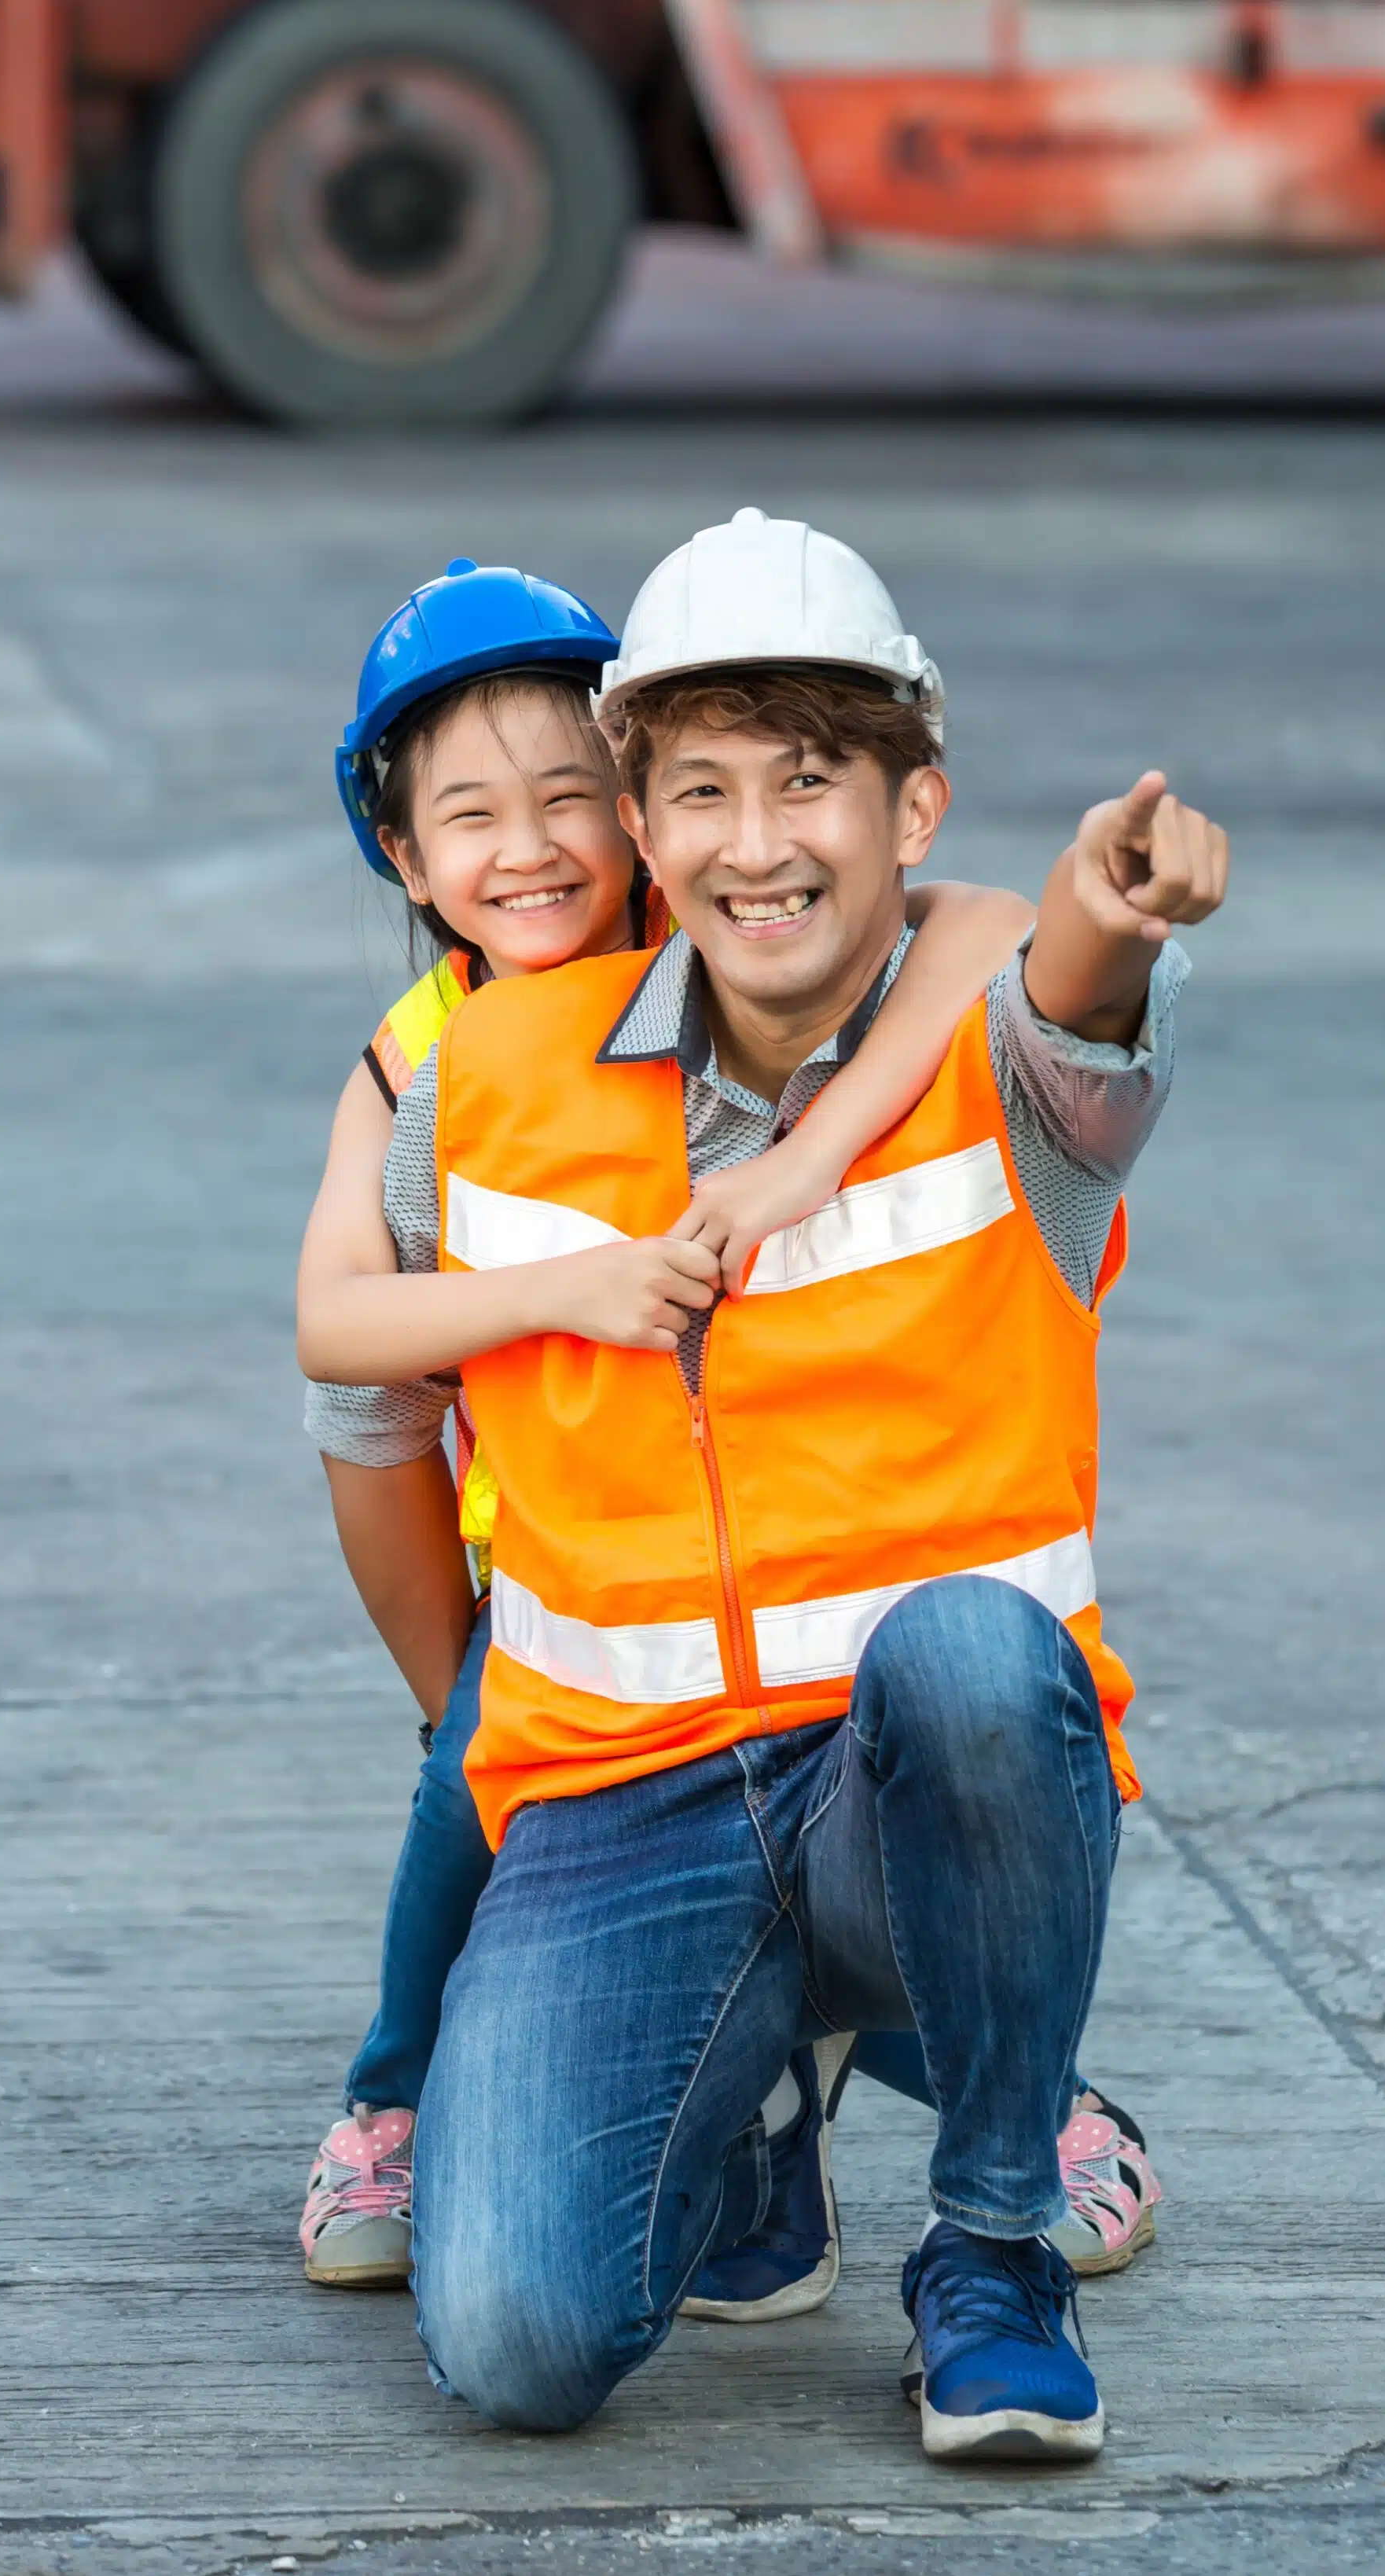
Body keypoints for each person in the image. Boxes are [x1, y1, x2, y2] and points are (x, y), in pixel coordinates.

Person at [377, 510, 1229, 2459]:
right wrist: (466, 1730)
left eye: (808, 782)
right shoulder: (489, 1077)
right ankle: (752, 2096)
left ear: (910, 806)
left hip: (907, 1777)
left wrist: (1124, 896)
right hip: (617, 1813)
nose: (754, 842)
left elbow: (1076, 970)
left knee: (972, 1659)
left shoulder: (1011, 1061)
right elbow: (371, 1417)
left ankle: (992, 2245)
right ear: (644, 831)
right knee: (513, 2344)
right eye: (700, 792)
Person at [290, 553, 1084, 2295]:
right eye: (470, 818)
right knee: (470, 1788)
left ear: (636, 818)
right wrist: (461, 1689)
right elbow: (341, 1347)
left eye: (571, 798)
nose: (530, 851)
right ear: (403, 859)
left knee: (885, 1803)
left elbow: (981, 923)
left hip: (808, 1625)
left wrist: (807, 1152)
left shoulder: (737, 940)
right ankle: (399, 2094)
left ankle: (1027, 2110)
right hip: (571, 1616)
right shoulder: (423, 1058)